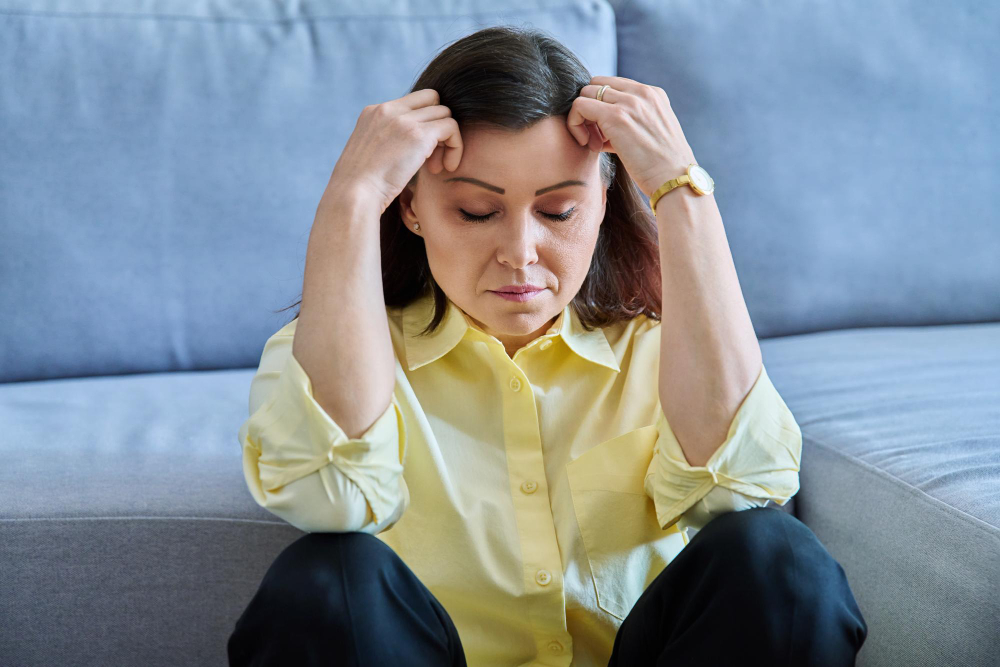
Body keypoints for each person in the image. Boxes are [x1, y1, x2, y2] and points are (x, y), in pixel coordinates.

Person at [229, 24, 867, 666]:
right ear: (412, 208)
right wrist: (352, 197)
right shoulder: (331, 351)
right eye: (476, 212)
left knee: (776, 555)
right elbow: (331, 496)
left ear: (601, 204)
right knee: (326, 576)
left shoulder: (660, 351)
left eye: (558, 212)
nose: (520, 254)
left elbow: (745, 493)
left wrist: (680, 189)